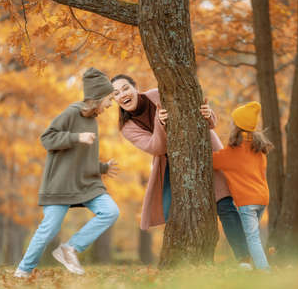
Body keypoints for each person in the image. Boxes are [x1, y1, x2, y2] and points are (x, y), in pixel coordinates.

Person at [111, 74, 250, 267]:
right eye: (116, 93)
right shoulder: (127, 127)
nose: (122, 94)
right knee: (172, 212)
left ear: (135, 87)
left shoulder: (157, 95)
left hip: (203, 150)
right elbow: (156, 148)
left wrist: (208, 114)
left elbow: (206, 122)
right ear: (114, 100)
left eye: (125, 88)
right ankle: (184, 262)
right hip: (171, 163)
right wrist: (160, 123)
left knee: (224, 204)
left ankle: (245, 260)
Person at [14, 68, 120, 278]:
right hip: (60, 184)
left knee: (110, 211)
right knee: (49, 229)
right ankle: (23, 271)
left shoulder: (93, 121)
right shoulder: (72, 112)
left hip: (86, 183)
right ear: (98, 97)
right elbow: (47, 139)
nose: (110, 104)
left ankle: (70, 248)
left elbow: (80, 159)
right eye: (109, 98)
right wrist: (76, 138)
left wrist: (102, 168)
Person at [212, 101, 273, 270]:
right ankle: (251, 265)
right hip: (262, 199)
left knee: (253, 237)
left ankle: (264, 271)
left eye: (233, 121)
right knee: (251, 236)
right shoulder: (258, 149)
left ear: (236, 126)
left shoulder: (233, 151)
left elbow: (212, 161)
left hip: (247, 202)